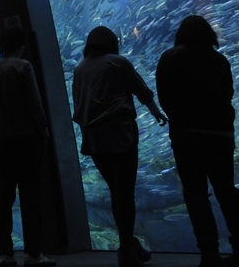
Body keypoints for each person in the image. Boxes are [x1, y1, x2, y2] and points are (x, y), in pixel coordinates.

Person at [156, 15, 239, 267]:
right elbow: (227, 94)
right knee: (227, 193)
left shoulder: (169, 58)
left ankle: (209, 254)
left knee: (196, 195)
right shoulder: (219, 60)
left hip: (185, 137)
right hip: (220, 136)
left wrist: (181, 118)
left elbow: (164, 98)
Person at [71, 26, 167, 267]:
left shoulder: (80, 68)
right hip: (119, 135)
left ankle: (129, 244)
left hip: (93, 140)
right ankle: (126, 249)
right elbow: (142, 91)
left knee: (117, 192)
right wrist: (158, 114)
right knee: (125, 193)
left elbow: (80, 104)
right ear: (111, 42)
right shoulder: (118, 62)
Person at [0, 26, 55, 267]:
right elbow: (34, 103)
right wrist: (43, 132)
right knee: (30, 196)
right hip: (27, 139)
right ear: (20, 45)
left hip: (3, 142)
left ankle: (6, 254)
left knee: (4, 197)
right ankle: (33, 254)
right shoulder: (23, 67)